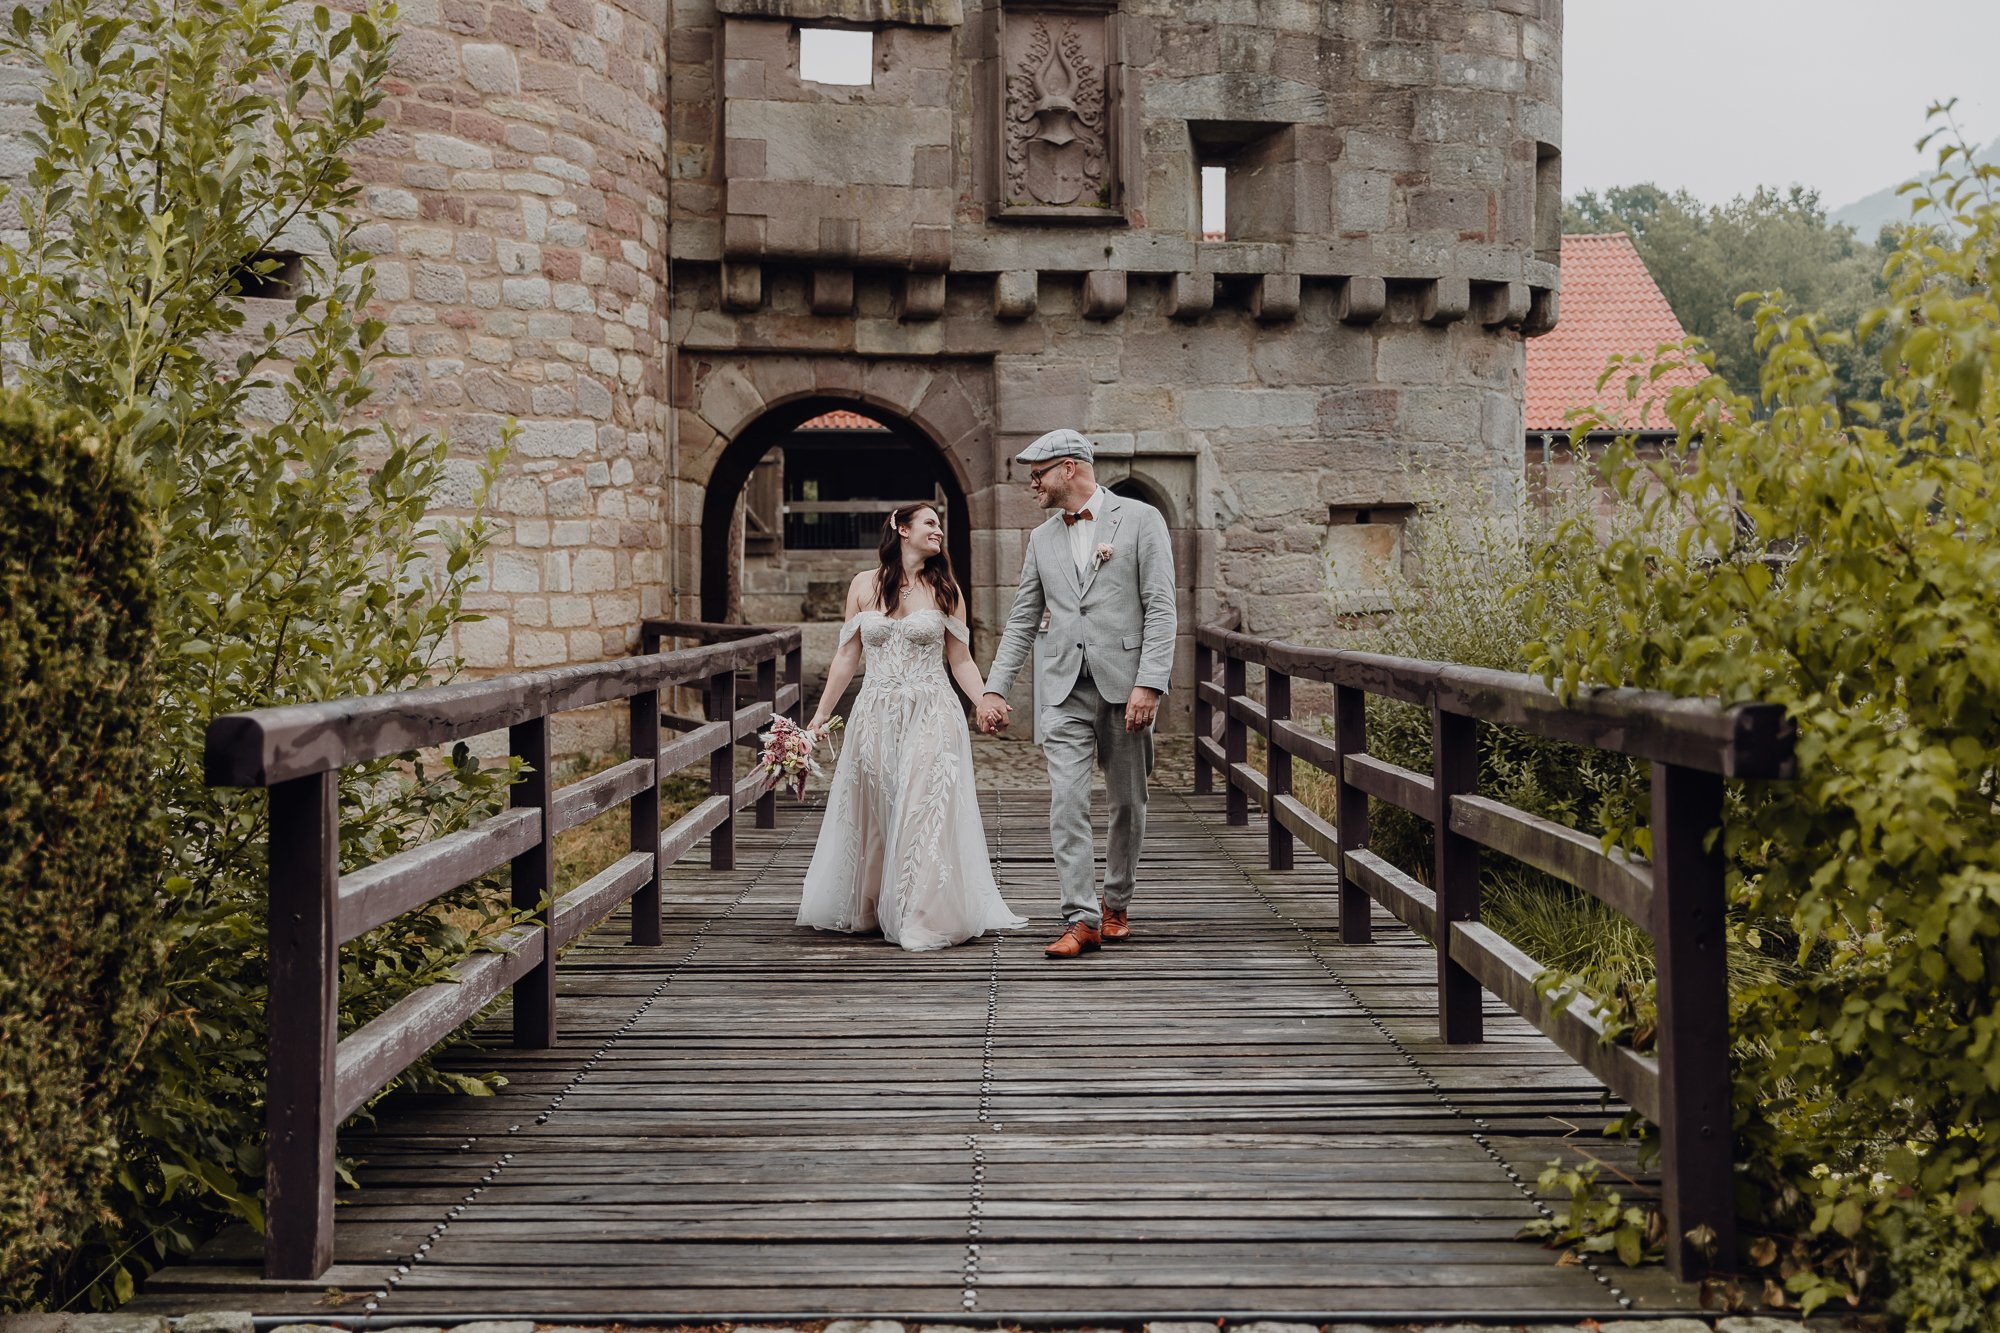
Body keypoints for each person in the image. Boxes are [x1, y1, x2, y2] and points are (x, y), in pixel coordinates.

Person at [977, 428, 1177, 959]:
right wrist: (995, 689)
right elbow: (1022, 620)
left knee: (1128, 803)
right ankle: (1081, 917)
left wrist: (1150, 683)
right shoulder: (1042, 539)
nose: (1032, 485)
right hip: (1063, 687)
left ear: (1069, 468)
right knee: (1066, 801)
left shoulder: (1140, 520)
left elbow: (1161, 608)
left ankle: (1116, 903)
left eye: (1038, 474)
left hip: (1127, 686)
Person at [795, 502, 1028, 950]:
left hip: (932, 710)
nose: (939, 531)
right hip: (875, 713)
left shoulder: (946, 590)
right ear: (901, 529)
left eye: (940, 525)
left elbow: (960, 659)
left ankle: (920, 912)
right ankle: (871, 904)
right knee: (880, 805)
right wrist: (820, 717)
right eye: (930, 524)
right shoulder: (863, 586)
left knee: (923, 805)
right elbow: (848, 656)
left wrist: (983, 702)